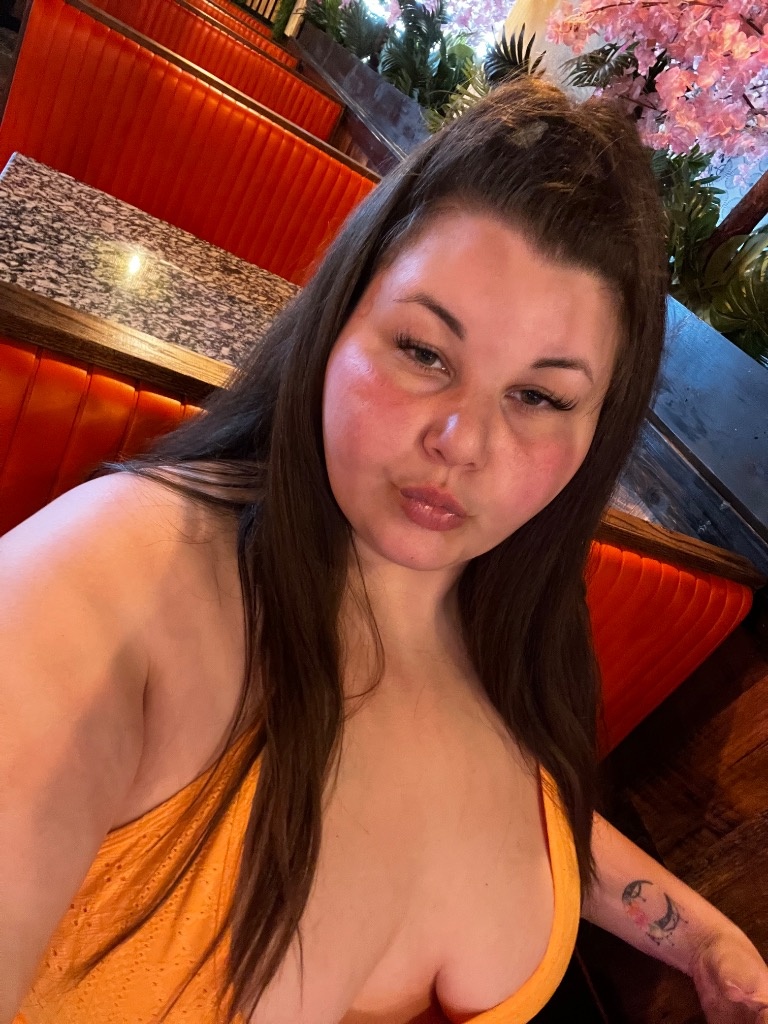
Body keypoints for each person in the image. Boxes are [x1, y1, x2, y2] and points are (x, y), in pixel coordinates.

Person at [1, 78, 767, 1024]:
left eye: (538, 397)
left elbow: (518, 807)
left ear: (593, 436)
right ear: (339, 324)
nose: (462, 441)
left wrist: (700, 936)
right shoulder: (122, 574)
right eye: (424, 351)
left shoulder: (518, 634)